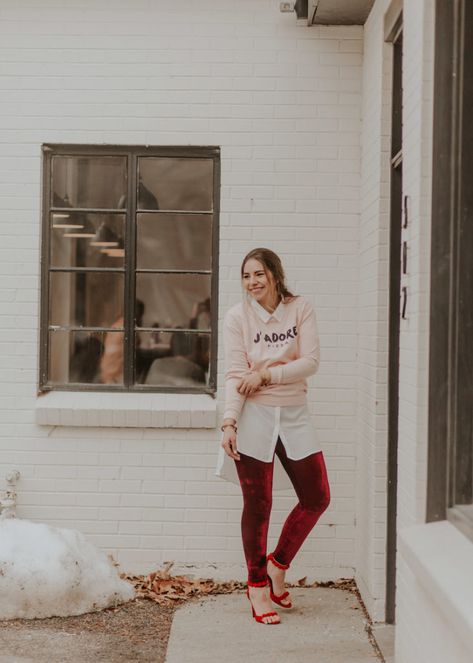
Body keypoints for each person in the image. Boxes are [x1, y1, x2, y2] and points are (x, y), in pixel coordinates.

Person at [215, 248, 331, 625]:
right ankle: (257, 586)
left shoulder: (299, 309)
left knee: (316, 497)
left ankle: (278, 564)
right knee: (258, 504)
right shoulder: (238, 317)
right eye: (247, 276)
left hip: (294, 412)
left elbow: (310, 362)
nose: (253, 282)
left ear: (275, 275)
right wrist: (229, 421)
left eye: (259, 274)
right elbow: (235, 373)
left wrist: (267, 375)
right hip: (254, 418)